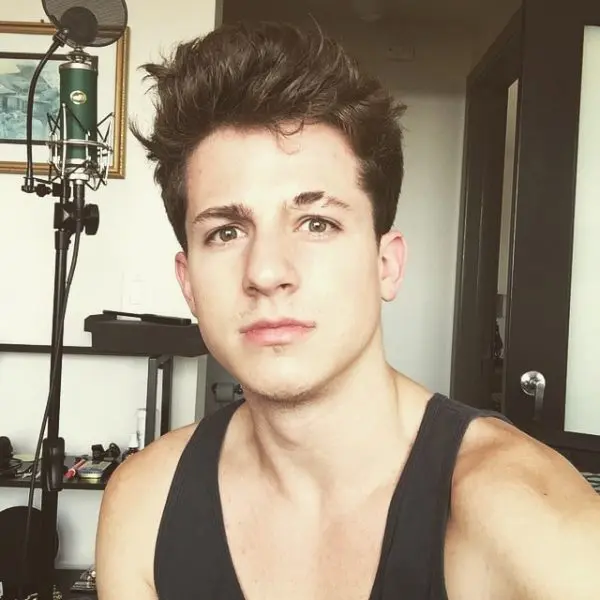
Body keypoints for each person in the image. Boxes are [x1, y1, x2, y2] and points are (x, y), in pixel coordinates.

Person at [95, 20, 600, 600]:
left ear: (387, 264)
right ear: (188, 284)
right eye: (226, 232)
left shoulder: (530, 520)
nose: (266, 272)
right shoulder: (144, 505)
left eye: (317, 223)